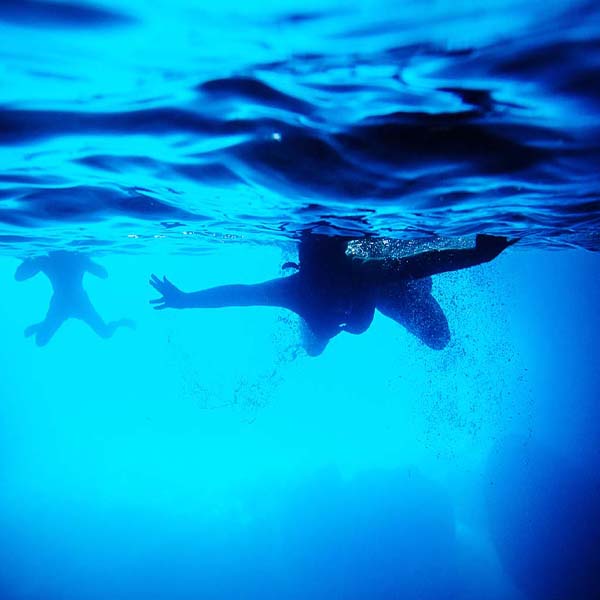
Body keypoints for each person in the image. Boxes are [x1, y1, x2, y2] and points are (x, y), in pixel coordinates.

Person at [149, 234, 516, 356]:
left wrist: (186, 299)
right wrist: (479, 253)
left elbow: (240, 295)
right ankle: (325, 333)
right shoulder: (303, 291)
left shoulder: (351, 273)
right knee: (312, 347)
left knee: (439, 337)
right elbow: (240, 294)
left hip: (370, 281)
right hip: (362, 285)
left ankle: (412, 293)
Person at [15, 250, 135, 347]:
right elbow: (103, 274)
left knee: (105, 333)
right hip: (68, 303)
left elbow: (104, 274)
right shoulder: (57, 260)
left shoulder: (49, 261)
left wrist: (28, 261)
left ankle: (120, 323)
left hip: (73, 303)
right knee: (40, 341)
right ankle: (44, 324)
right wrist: (29, 261)